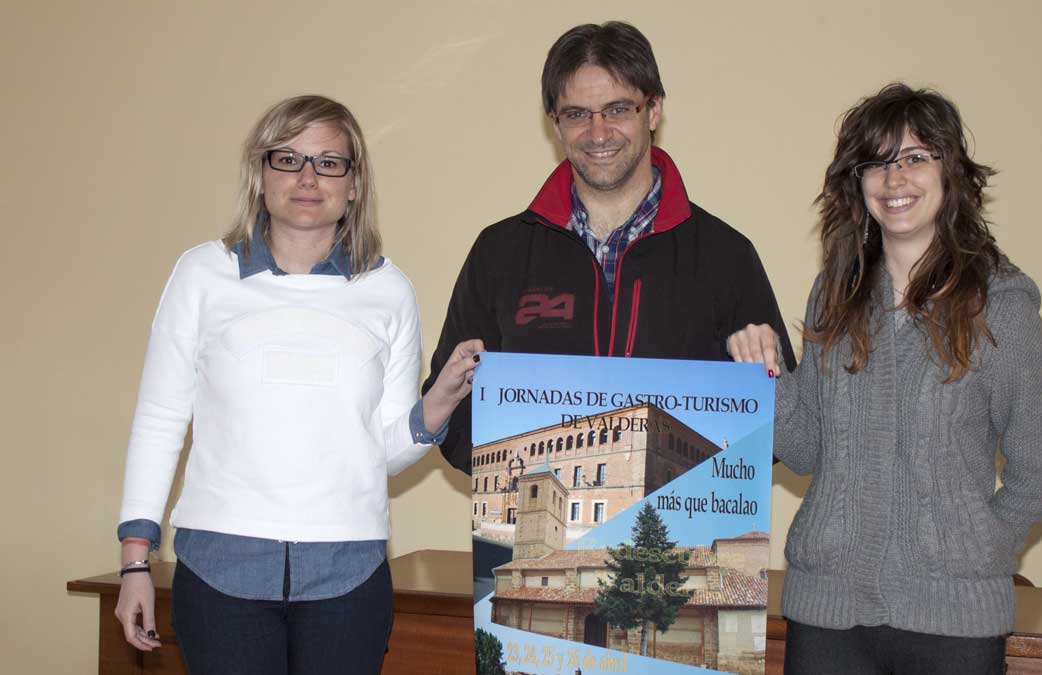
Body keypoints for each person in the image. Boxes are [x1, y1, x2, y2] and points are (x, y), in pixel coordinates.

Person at [113, 95, 481, 675]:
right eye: (288, 159)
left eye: (329, 162)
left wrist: (437, 404)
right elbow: (159, 420)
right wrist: (135, 561)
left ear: (354, 184)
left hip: (349, 573)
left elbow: (384, 453)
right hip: (219, 570)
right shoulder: (202, 274)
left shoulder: (389, 291)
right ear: (260, 174)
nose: (308, 178)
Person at [728, 83, 1042, 674]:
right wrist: (769, 379)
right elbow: (807, 450)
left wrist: (981, 547)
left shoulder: (1002, 303)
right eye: (876, 163)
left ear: (950, 173)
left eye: (915, 157)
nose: (895, 179)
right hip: (828, 615)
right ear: (856, 183)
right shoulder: (834, 294)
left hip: (955, 624)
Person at [424, 21, 794, 474]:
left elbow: (782, 440)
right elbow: (454, 424)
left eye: (618, 109)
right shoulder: (498, 253)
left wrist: (764, 385)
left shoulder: (727, 256)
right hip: (537, 530)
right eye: (577, 114)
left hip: (677, 537)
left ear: (653, 110)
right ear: (554, 124)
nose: (598, 133)